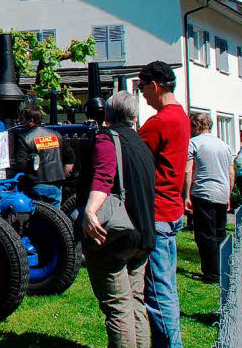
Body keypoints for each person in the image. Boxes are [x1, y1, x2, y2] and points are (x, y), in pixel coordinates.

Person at [80, 90, 156, 348]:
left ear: (108, 113)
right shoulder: (142, 145)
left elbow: (103, 176)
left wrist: (90, 211)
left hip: (117, 234)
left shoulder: (107, 139)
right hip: (143, 233)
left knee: (118, 307)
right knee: (135, 302)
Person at [137, 60, 189, 348]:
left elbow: (135, 159)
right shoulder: (180, 116)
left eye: (143, 88)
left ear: (156, 86)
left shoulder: (159, 123)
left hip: (157, 211)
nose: (142, 94)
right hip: (172, 210)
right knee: (167, 287)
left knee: (158, 294)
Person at [184, 113, 233, 284]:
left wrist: (187, 195)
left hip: (203, 192)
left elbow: (188, 171)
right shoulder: (224, 145)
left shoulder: (194, 143)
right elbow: (230, 173)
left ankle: (211, 274)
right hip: (221, 193)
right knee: (219, 233)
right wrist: (228, 195)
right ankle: (222, 270)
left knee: (205, 235)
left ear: (197, 126)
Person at [11, 104, 75, 208]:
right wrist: (62, 173)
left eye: (22, 119)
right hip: (56, 184)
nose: (20, 122)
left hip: (35, 185)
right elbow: (70, 156)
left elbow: (21, 165)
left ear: (30, 120)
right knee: (55, 219)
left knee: (37, 219)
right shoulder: (56, 135)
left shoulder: (24, 138)